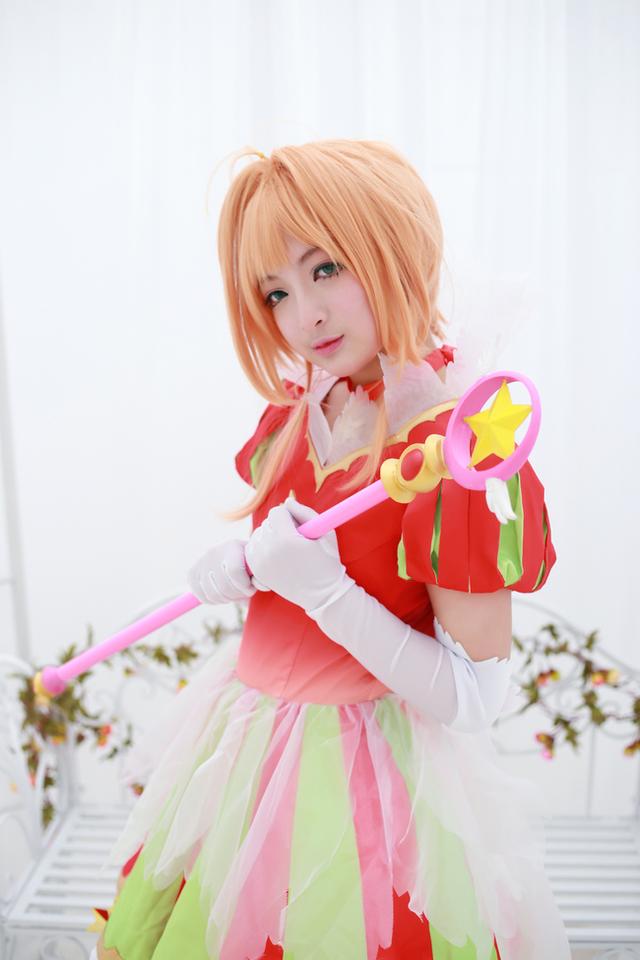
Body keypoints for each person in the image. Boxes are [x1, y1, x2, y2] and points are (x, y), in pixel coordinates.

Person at [93, 140, 571, 960]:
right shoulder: (301, 412)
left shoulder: (457, 451)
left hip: (370, 796)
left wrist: (324, 593)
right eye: (276, 291)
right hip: (242, 758)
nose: (303, 316)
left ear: (396, 249)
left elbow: (475, 699)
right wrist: (247, 573)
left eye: (326, 269)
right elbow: (297, 554)